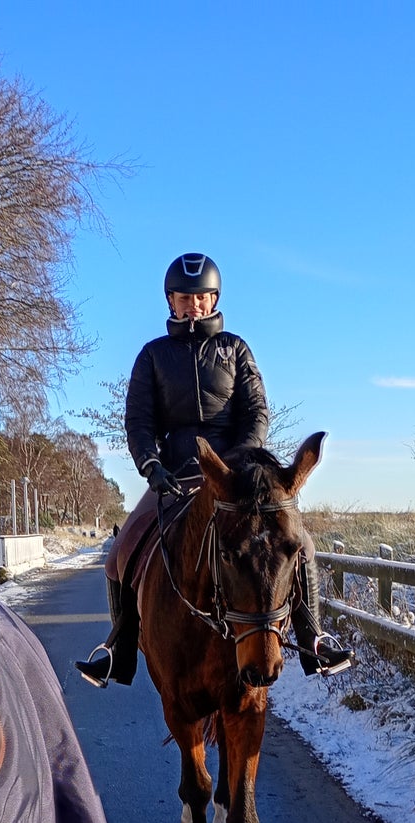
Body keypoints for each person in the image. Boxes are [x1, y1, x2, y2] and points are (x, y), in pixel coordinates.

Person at [76, 252, 353, 686]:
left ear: (214, 299)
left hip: (236, 480)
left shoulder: (236, 349)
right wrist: (151, 466)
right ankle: (119, 648)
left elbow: (257, 411)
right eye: (184, 298)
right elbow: (139, 421)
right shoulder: (153, 356)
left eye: (202, 298)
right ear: (171, 301)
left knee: (302, 545)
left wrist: (237, 465)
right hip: (175, 477)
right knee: (120, 552)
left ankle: (314, 638)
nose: (193, 306)